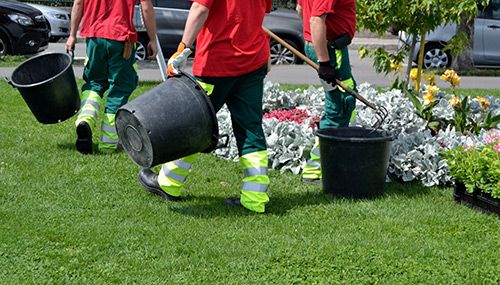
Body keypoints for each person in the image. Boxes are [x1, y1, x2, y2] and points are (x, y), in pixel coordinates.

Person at [137, 0, 273, 213]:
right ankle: (255, 198)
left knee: (193, 122)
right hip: (253, 61)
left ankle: (169, 183)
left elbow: (200, 8)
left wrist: (183, 48)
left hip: (216, 62)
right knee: (250, 128)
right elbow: (260, 12)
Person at [66, 0, 158, 154]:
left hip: (94, 37)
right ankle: (107, 145)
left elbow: (78, 3)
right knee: (120, 88)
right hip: (121, 38)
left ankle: (85, 119)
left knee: (94, 83)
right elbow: (146, 7)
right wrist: (153, 39)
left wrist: (72, 35)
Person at [296, 0, 357, 184]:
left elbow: (300, 10)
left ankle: (340, 153)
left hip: (327, 47)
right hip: (331, 50)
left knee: (343, 101)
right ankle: (316, 168)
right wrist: (324, 61)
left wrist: (311, 40)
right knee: (340, 105)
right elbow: (315, 19)